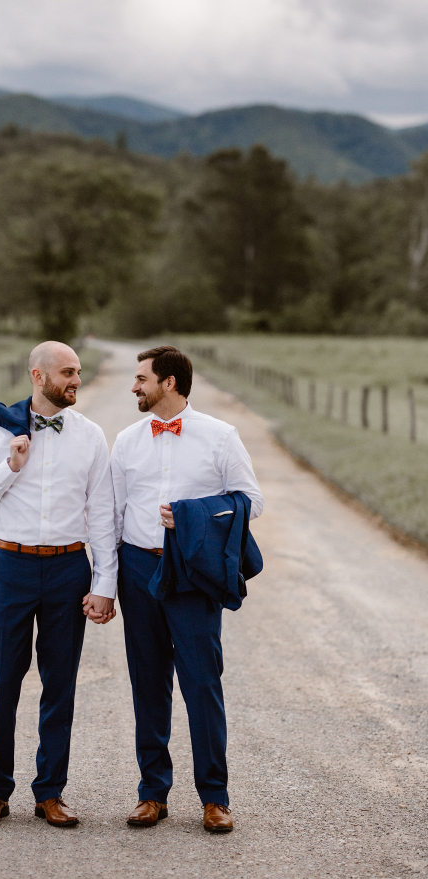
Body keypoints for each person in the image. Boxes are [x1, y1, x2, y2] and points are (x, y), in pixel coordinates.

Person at [0, 341, 116, 828]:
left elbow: (103, 513)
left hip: (70, 570)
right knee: (2, 679)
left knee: (60, 684)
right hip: (12, 567)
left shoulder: (90, 436)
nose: (75, 381)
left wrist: (105, 583)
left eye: (79, 373)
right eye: (67, 372)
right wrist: (9, 467)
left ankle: (50, 791)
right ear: (37, 375)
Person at [110, 346, 264, 833]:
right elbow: (110, 516)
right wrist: (106, 583)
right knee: (147, 681)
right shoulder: (127, 440)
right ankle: (152, 793)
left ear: (169, 382)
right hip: (137, 568)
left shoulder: (221, 436)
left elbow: (251, 501)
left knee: (201, 682)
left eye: (141, 379)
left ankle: (214, 797)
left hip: (192, 573)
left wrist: (197, 515)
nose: (134, 387)